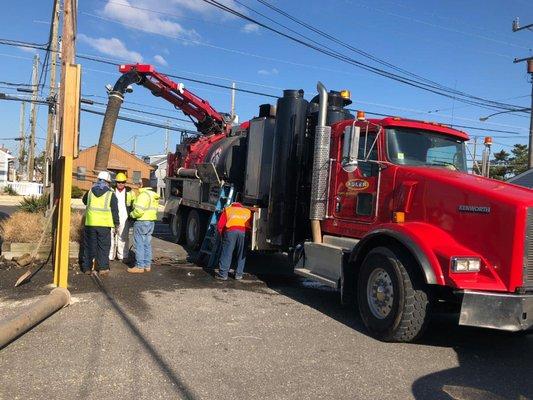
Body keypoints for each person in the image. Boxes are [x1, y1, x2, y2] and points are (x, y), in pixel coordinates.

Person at [81, 171, 119, 276]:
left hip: (90, 223)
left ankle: (87, 268)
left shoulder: (90, 191)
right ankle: (103, 268)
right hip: (104, 224)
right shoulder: (110, 194)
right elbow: (115, 210)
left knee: (89, 246)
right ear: (108, 182)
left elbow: (84, 201)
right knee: (103, 246)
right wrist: (117, 223)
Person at [128, 181, 159, 273]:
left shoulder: (143, 195)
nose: (137, 186)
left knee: (139, 244)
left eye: (139, 184)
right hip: (150, 222)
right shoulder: (153, 196)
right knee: (147, 244)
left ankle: (139, 266)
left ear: (142, 185)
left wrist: (131, 215)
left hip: (142, 221)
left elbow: (138, 211)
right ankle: (147, 265)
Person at [215, 202, 252, 280]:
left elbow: (220, 225)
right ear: (241, 206)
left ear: (232, 205)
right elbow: (251, 224)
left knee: (227, 252)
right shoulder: (247, 211)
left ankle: (223, 274)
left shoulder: (228, 210)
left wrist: (222, 236)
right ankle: (238, 274)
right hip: (244, 232)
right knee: (241, 253)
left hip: (231, 232)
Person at [109, 172, 136, 262]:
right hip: (112, 216)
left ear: (125, 182)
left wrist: (132, 217)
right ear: (116, 182)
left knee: (123, 237)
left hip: (125, 217)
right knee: (111, 237)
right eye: (119, 182)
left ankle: (123, 256)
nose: (121, 184)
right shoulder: (111, 191)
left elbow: (134, 204)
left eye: (123, 182)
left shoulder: (130, 192)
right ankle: (110, 256)